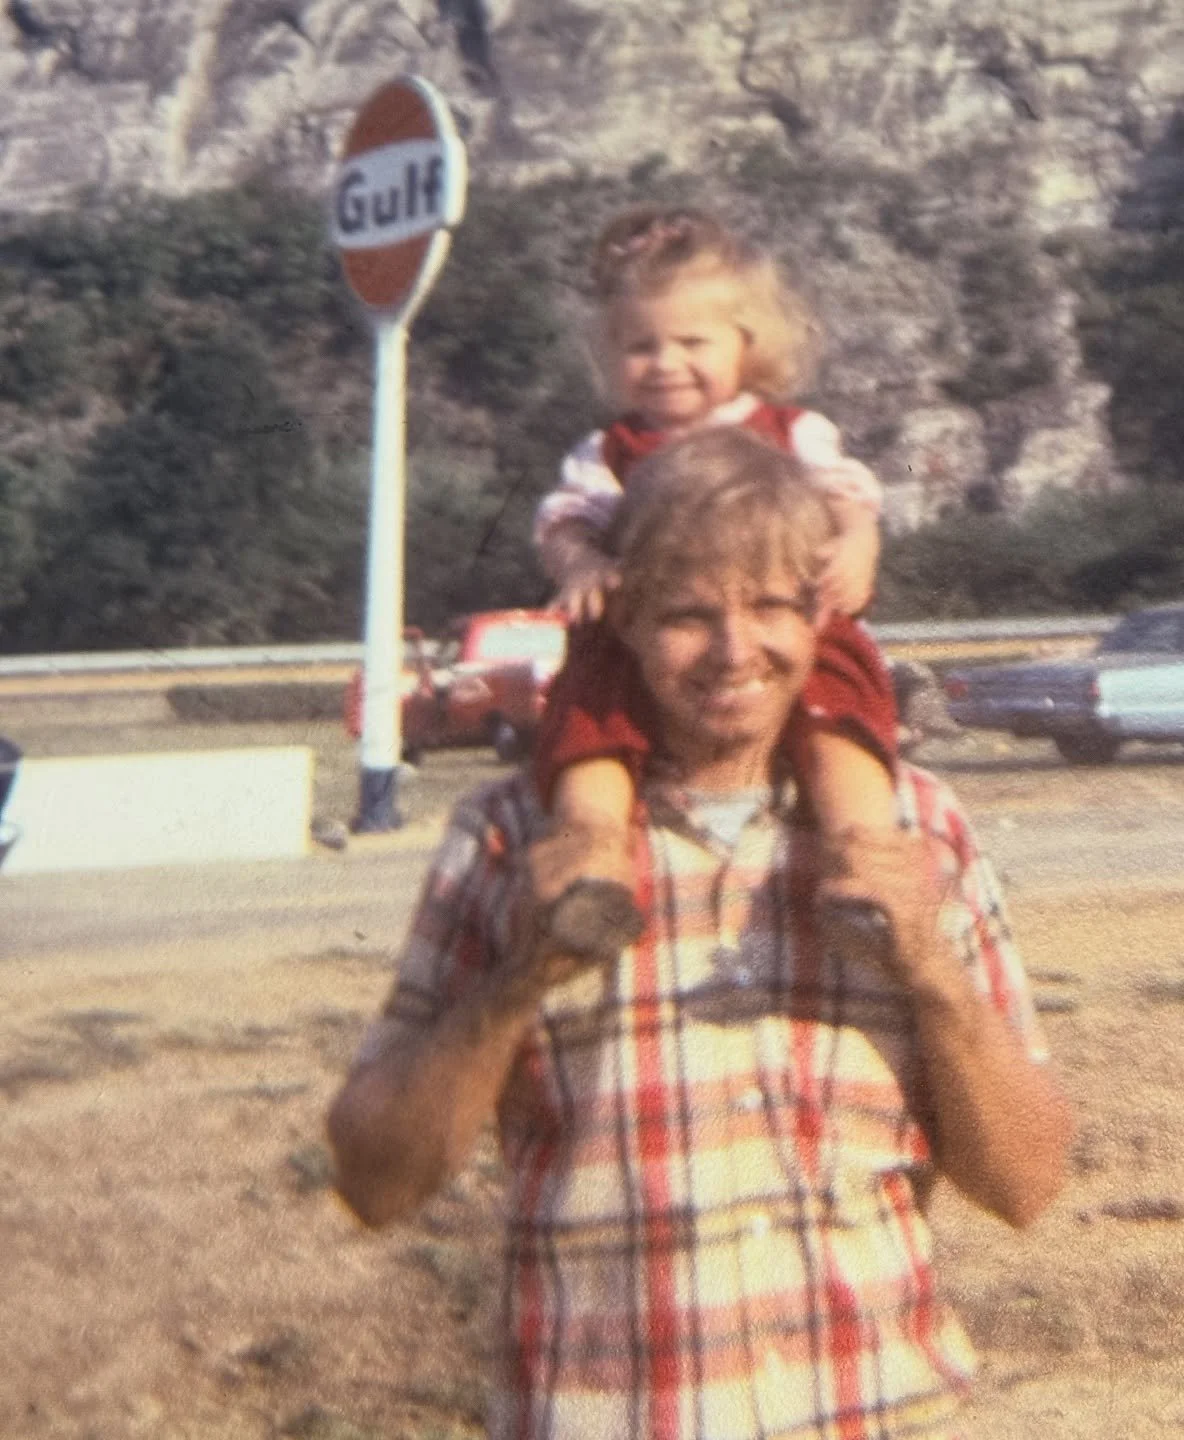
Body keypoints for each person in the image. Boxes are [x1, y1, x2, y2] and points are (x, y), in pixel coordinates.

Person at [327, 428, 1072, 1440]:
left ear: (821, 618)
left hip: (871, 1410)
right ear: (624, 619)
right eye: (687, 614)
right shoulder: (512, 838)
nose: (734, 651)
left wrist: (926, 964)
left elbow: (1027, 1184)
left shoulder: (915, 829)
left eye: (771, 607)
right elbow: (375, 1182)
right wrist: (520, 978)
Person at [529, 206, 899, 958]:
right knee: (591, 727)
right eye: (641, 346)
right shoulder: (609, 450)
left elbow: (849, 501)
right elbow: (563, 523)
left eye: (692, 343)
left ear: (746, 344)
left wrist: (858, 546)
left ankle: (865, 863)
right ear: (612, 355)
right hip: (639, 632)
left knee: (840, 719)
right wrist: (582, 565)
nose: (666, 363)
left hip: (789, 614)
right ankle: (591, 866)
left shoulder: (792, 432)